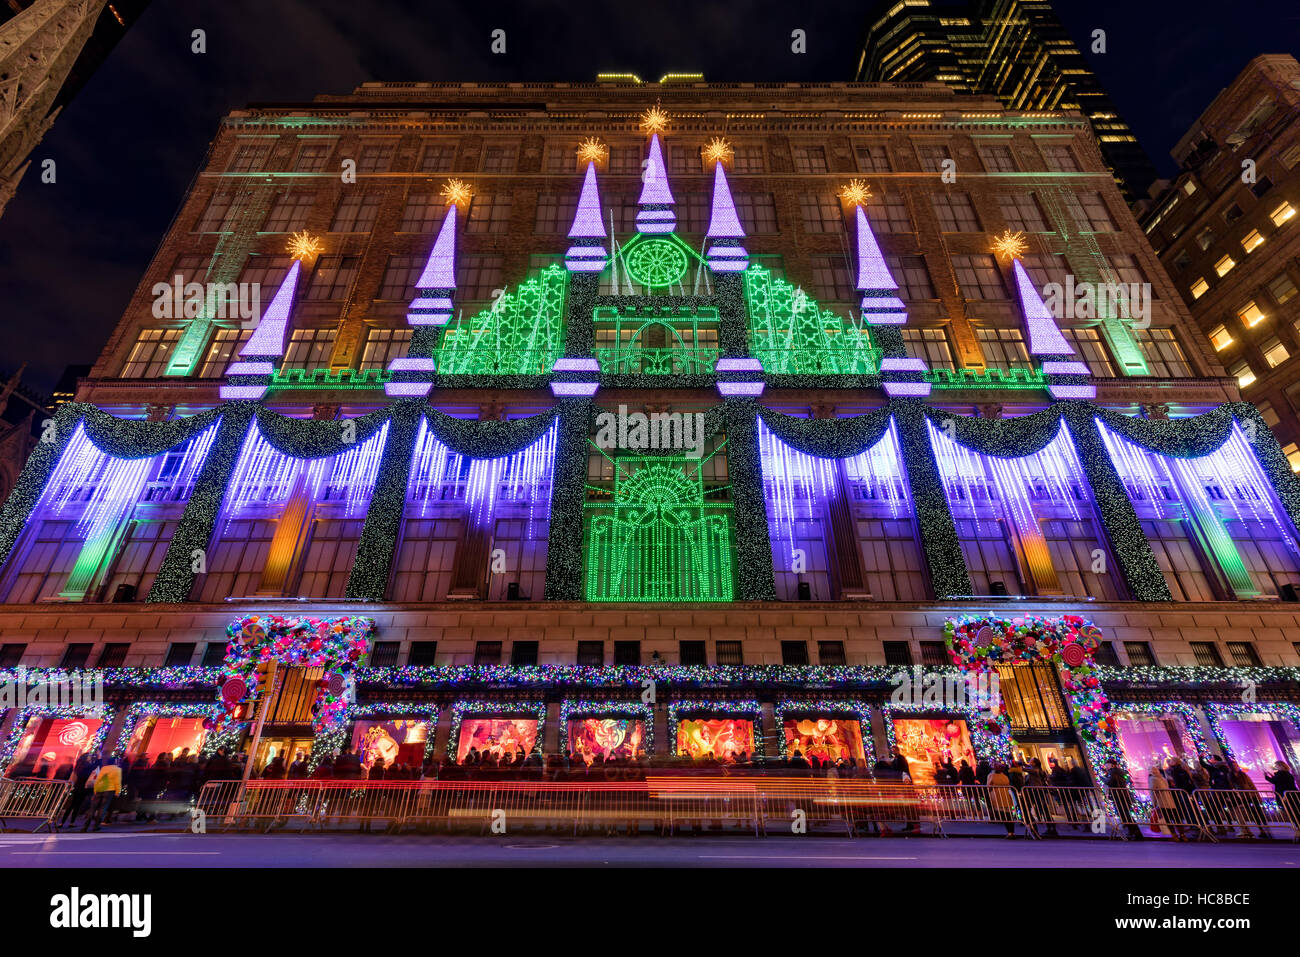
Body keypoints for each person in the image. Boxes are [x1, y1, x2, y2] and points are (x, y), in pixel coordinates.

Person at [59, 751, 101, 828]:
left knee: (71, 805)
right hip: (83, 787)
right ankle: (71, 822)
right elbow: (95, 766)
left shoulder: (78, 766)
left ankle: (62, 822)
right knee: (77, 806)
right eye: (88, 757)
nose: (90, 758)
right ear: (86, 758)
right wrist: (99, 758)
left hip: (77, 786)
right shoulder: (87, 766)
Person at [1104, 758, 1142, 840]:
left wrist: (1104, 779)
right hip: (1121, 796)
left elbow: (1111, 782)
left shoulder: (1114, 772)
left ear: (1112, 765)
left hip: (1120, 796)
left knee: (1125, 815)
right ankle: (1133, 832)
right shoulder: (1116, 771)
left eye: (1107, 764)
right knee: (1125, 815)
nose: (1105, 766)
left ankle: (1136, 833)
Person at [81, 757, 122, 832]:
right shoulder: (117, 769)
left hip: (100, 789)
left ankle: (85, 826)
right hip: (109, 790)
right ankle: (96, 826)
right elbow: (117, 781)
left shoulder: (104, 768)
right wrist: (118, 791)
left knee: (93, 807)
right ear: (115, 762)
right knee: (103, 808)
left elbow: (98, 779)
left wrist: (95, 789)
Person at [986, 763, 1017, 837]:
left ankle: (1009, 832)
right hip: (1006, 796)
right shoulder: (1005, 776)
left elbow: (988, 786)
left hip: (997, 796)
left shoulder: (991, 776)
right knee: (1008, 815)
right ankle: (1012, 832)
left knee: (1003, 815)